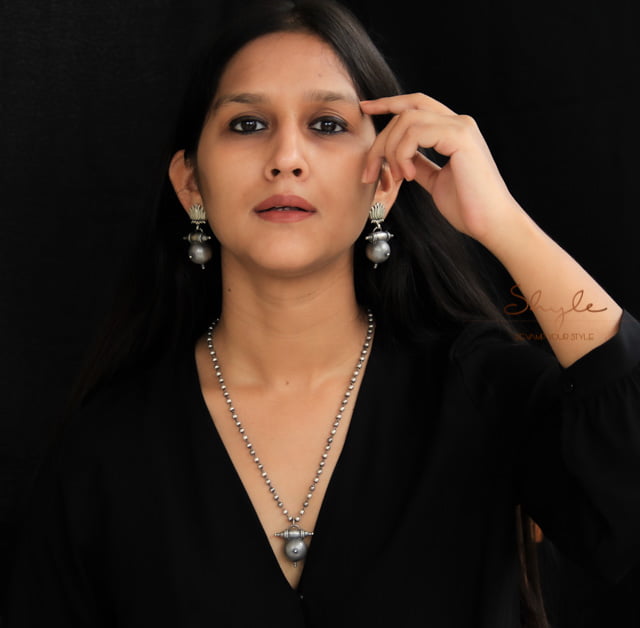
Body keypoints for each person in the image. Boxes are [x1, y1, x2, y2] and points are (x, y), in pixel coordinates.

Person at [6, 1, 640, 626]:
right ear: (191, 183)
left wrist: (502, 224)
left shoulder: (482, 392)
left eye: (327, 125)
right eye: (247, 124)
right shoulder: (106, 451)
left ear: (385, 180)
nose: (286, 157)